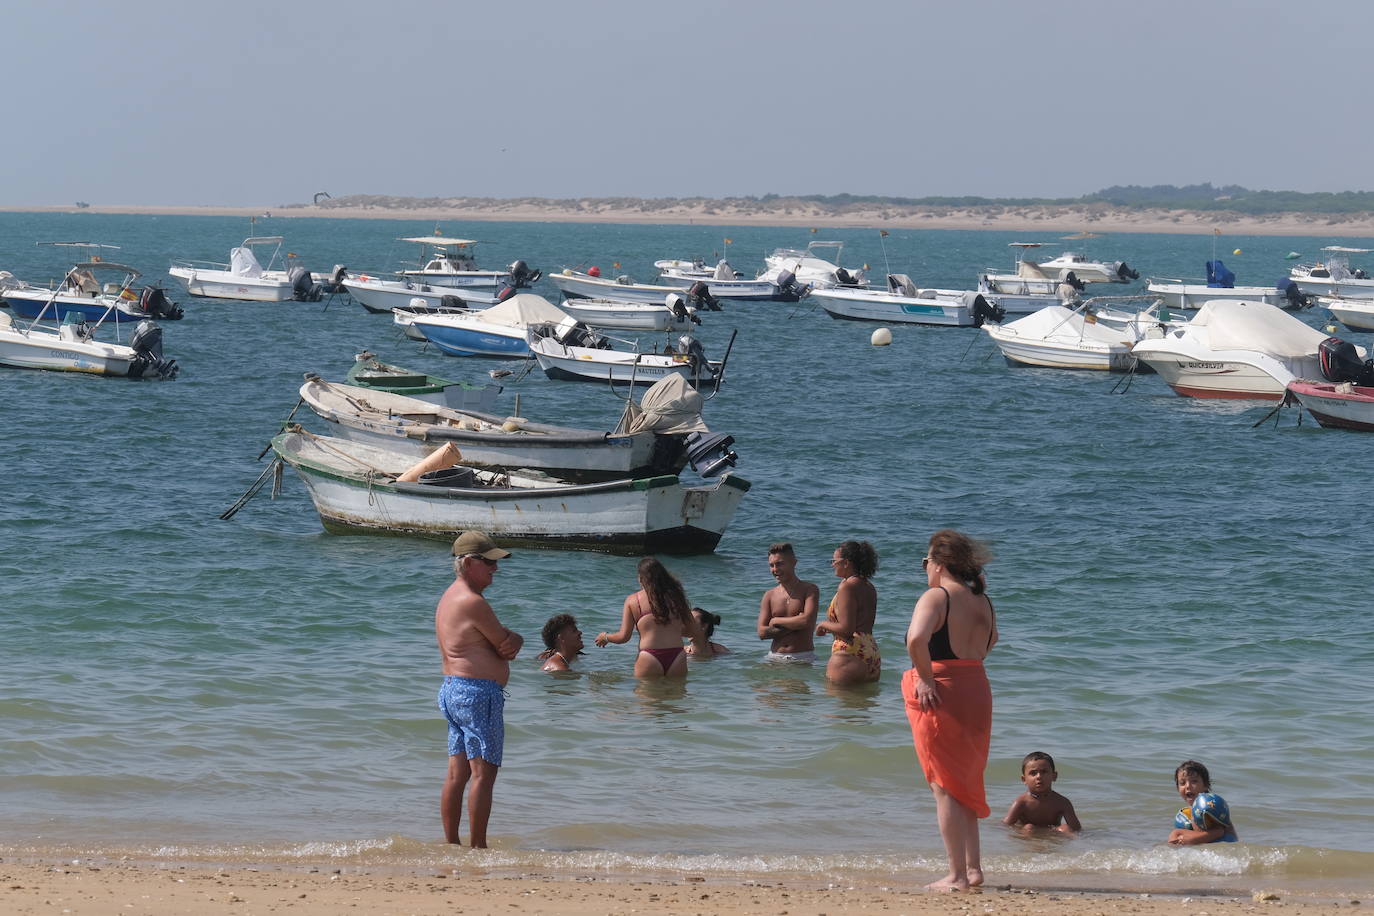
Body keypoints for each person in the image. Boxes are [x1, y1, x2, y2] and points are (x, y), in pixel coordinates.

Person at [902, 529, 998, 891]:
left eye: (925, 561)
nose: (924, 568)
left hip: (943, 690)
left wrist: (925, 679)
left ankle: (956, 874)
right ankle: (973, 869)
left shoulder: (937, 596)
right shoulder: (982, 600)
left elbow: (916, 639)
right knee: (966, 783)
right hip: (976, 687)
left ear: (940, 564)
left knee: (944, 786)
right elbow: (993, 640)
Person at [435, 531, 522, 848]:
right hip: (476, 694)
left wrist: (507, 639)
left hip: (453, 690)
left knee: (457, 775)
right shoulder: (473, 602)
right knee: (484, 774)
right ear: (469, 563)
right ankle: (478, 847)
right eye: (489, 563)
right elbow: (505, 646)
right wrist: (519, 638)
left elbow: (496, 642)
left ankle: (451, 843)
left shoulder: (448, 597)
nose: (495, 569)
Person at [595, 557, 709, 677]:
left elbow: (624, 637)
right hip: (677, 656)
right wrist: (672, 630)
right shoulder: (676, 596)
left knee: (647, 694)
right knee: (676, 695)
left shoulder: (633, 600)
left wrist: (605, 636)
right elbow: (694, 631)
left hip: (649, 657)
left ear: (641, 578)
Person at [815, 540, 880, 685]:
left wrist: (822, 625)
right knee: (863, 704)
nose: (832, 564)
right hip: (871, 651)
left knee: (840, 704)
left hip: (850, 651)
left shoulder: (846, 586)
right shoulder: (869, 586)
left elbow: (846, 629)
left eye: (834, 560)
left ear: (846, 563)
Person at [756, 542, 819, 663]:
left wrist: (776, 621)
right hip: (774, 657)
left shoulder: (809, 590)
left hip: (802, 657)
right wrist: (795, 624)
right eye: (771, 565)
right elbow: (762, 633)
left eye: (779, 564)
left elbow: (806, 621)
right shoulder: (769, 595)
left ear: (794, 563)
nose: (775, 569)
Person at [1003, 751, 1081, 834]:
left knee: (1065, 828)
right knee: (1029, 827)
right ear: (1024, 779)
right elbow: (1005, 826)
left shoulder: (1062, 802)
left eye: (1044, 772)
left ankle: (1078, 847)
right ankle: (1032, 845)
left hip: (1052, 834)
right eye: (1033, 773)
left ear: (1054, 776)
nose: (1039, 777)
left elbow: (1077, 829)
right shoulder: (1022, 802)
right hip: (1029, 835)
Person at [1168, 760, 1238, 845]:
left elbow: (1226, 834)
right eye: (1182, 783)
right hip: (1204, 847)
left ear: (1206, 785)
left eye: (1194, 781)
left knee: (1176, 833)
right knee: (1175, 834)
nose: (1188, 786)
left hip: (1220, 847)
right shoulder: (1186, 816)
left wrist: (1216, 833)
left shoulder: (1211, 806)